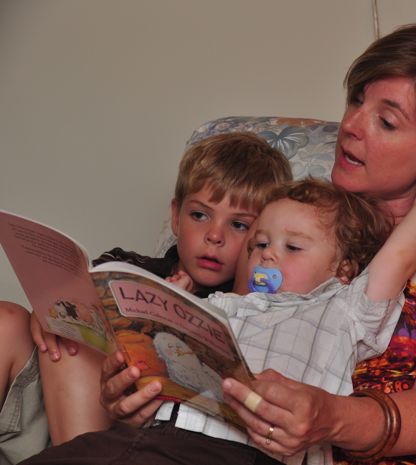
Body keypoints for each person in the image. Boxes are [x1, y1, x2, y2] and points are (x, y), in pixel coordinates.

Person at [27, 20, 416, 465]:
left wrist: (334, 417)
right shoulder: (293, 217)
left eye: (385, 121)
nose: (350, 125)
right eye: (356, 100)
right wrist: (132, 395)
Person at [0, 132, 291, 463]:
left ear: (262, 235)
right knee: (7, 320)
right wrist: (46, 313)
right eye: (200, 215)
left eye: (238, 225)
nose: (214, 235)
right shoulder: (127, 266)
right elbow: (64, 306)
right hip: (55, 404)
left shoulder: (248, 309)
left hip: (127, 433)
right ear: (176, 216)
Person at [158, 173, 416, 465]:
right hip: (167, 433)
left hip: (257, 452)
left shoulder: (344, 309)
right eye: (261, 244)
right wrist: (174, 305)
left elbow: (398, 259)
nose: (268, 255)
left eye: (292, 247)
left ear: (344, 269)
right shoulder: (223, 304)